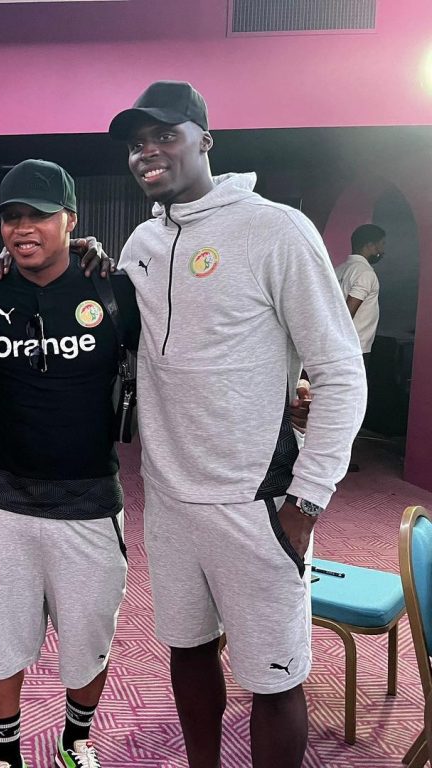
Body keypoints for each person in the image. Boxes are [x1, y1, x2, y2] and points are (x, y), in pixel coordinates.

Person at [108, 81, 367, 767]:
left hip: (257, 504)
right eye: (137, 144)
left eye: (164, 136)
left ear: (205, 141)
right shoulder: (140, 242)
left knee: (273, 677)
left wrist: (306, 502)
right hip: (169, 502)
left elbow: (340, 371)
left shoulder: (275, 229)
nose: (147, 152)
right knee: (188, 652)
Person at [0, 160, 138, 768]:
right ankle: (7, 755)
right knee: (0, 644)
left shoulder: (112, 292)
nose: (23, 228)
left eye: (39, 215)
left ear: (71, 220)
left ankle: (74, 742)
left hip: (90, 504)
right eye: (12, 217)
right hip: (3, 504)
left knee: (89, 643)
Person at [335, 223, 386, 358]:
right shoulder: (365, 273)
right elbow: (347, 313)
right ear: (370, 246)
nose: (383, 250)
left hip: (338, 347)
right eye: (381, 244)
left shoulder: (340, 270)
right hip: (354, 348)